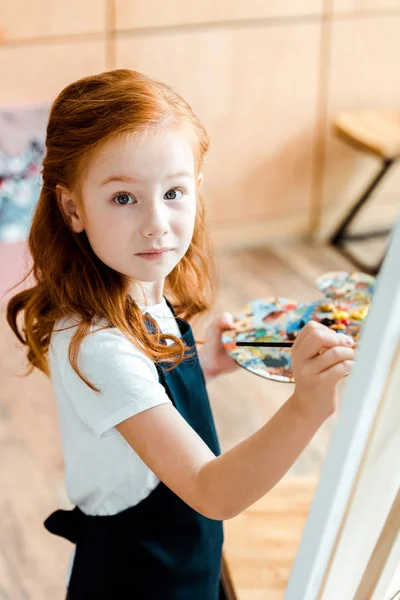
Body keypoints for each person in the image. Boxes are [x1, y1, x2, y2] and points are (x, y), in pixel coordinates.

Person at [6, 69, 356, 600]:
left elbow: (145, 402)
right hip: (142, 578)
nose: (156, 223)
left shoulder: (137, 285)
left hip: (186, 558)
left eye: (173, 192)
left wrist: (201, 366)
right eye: (124, 198)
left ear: (196, 189)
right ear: (72, 207)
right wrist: (307, 407)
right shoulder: (98, 344)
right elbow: (211, 492)